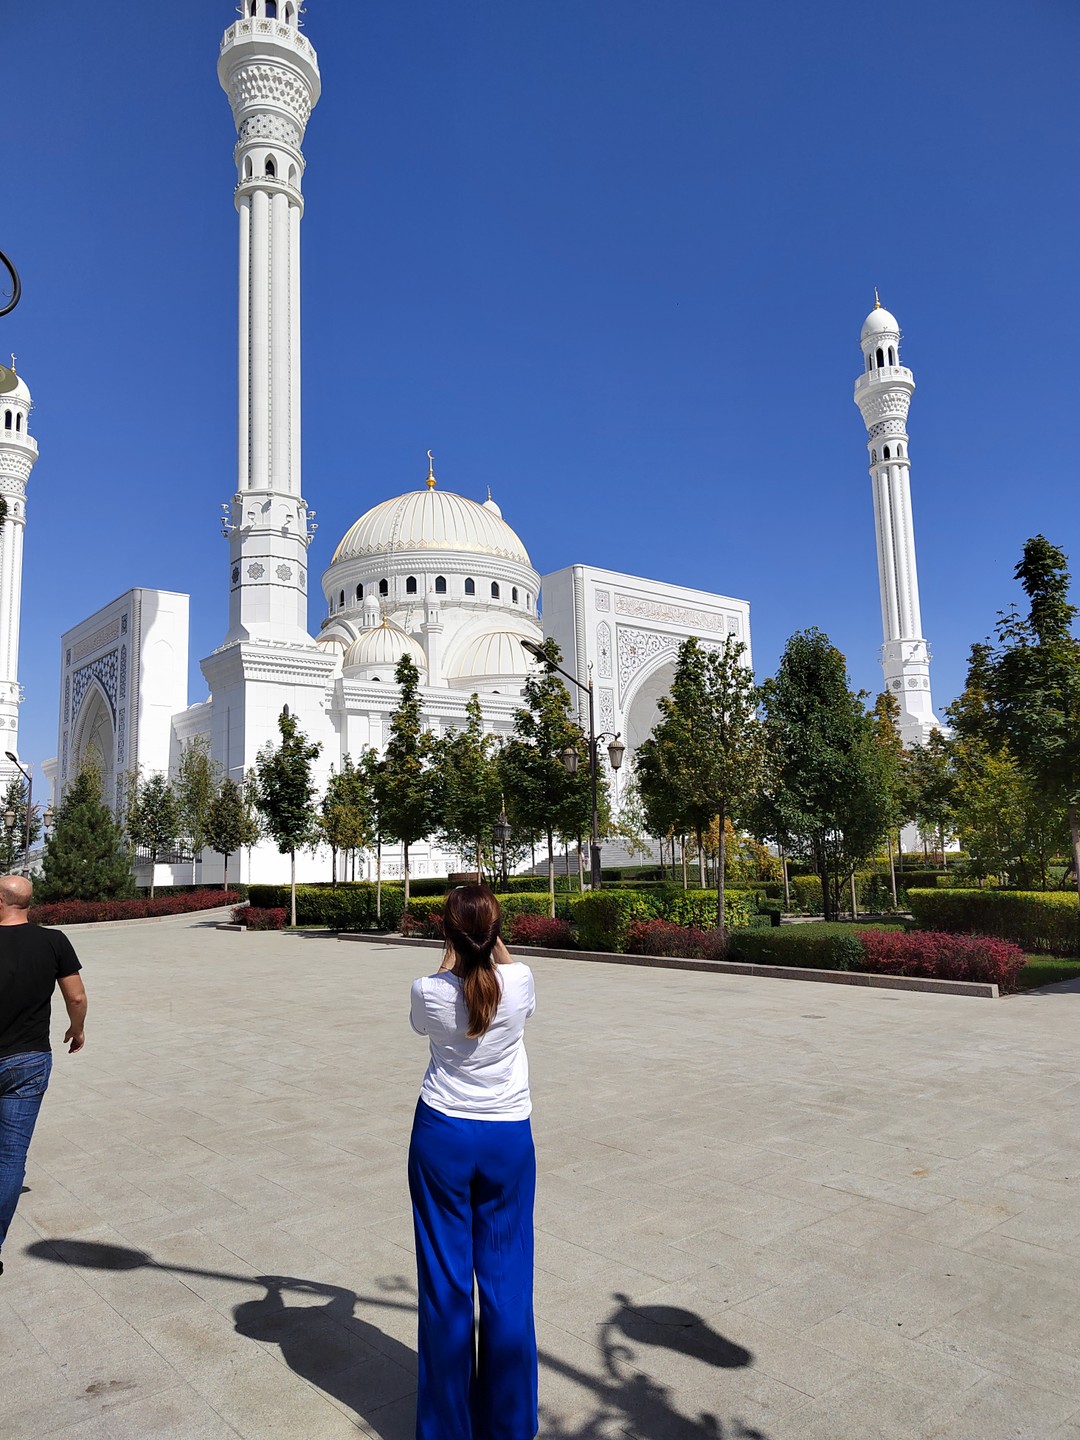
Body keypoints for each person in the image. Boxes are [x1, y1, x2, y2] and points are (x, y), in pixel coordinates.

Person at [408, 885, 538, 1440]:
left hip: (443, 1135)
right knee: (508, 1283)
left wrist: (455, 952)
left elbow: (428, 1016)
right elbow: (499, 967)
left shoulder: (428, 991)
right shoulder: (522, 981)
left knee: (446, 1284)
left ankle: (446, 1429)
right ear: (496, 932)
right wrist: (487, 945)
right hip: (508, 1136)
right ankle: (508, 1424)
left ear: (447, 934)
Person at [0, 874, 86, 1277]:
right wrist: (77, 1027)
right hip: (28, 1061)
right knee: (10, 1158)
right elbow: (77, 995)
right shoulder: (53, 940)